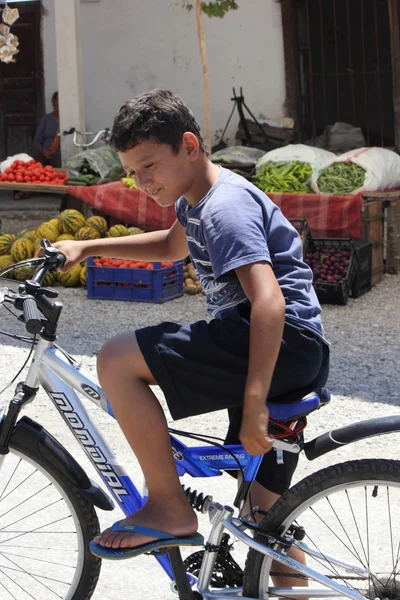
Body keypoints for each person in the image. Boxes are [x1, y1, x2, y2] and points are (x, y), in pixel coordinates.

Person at [50, 90, 330, 571]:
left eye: (150, 166)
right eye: (133, 173)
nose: (141, 182)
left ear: (189, 145)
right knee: (265, 520)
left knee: (117, 359)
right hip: (291, 351)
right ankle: (286, 580)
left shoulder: (224, 208)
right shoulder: (196, 201)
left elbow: (268, 302)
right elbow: (170, 248)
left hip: (276, 343)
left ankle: (168, 506)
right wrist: (88, 246)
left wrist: (255, 401)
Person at [33, 91, 61, 168]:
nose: (58, 102)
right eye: (57, 99)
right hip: (44, 153)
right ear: (53, 102)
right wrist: (43, 150)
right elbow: (37, 140)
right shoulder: (46, 119)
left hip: (59, 153)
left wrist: (54, 152)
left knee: (58, 156)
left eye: (61, 99)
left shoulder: (71, 120)